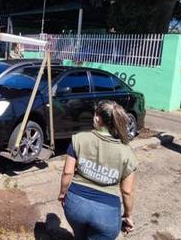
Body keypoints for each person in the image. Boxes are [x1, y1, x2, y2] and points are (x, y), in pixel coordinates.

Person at [58, 100, 138, 240]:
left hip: (75, 206)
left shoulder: (79, 139)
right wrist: (128, 215)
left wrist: (63, 193)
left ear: (97, 118)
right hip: (106, 215)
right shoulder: (127, 153)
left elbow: (68, 172)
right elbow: (127, 191)